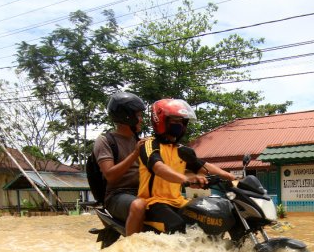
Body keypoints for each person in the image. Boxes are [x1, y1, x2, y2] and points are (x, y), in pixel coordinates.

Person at [137, 98, 234, 233]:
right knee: (177, 225)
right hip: (153, 203)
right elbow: (159, 168)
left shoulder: (181, 150)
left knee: (208, 217)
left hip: (178, 201)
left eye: (182, 122)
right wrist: (186, 179)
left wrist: (230, 177)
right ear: (160, 121)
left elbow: (203, 166)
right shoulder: (149, 144)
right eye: (175, 121)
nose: (180, 125)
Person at [93, 91, 147, 236]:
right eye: (138, 115)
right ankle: (132, 250)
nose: (141, 119)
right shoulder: (105, 141)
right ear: (127, 117)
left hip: (142, 191)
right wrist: (135, 154)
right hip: (118, 194)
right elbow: (110, 175)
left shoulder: (140, 141)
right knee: (139, 205)